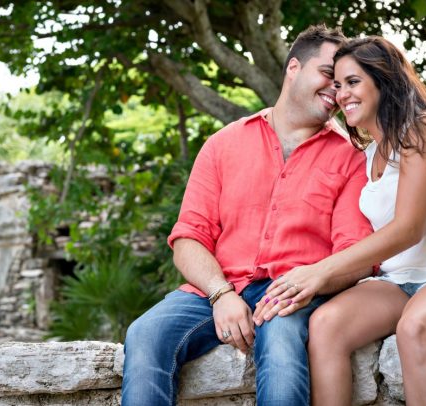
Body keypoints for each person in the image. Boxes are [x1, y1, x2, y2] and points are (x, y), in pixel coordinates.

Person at [253, 36, 426, 405]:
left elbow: (409, 228)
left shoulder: (424, 129)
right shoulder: (369, 153)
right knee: (325, 325)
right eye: (337, 84)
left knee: (416, 327)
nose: (341, 93)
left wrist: (318, 271)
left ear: (384, 80)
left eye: (353, 82)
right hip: (399, 283)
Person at [121, 25, 375, 406]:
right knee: (145, 334)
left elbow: (355, 254)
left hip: (293, 295)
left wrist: (305, 285)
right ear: (293, 68)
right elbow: (189, 237)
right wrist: (220, 293)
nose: (336, 91)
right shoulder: (223, 144)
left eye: (342, 83)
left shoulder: (351, 158)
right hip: (215, 289)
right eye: (328, 74)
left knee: (282, 340)